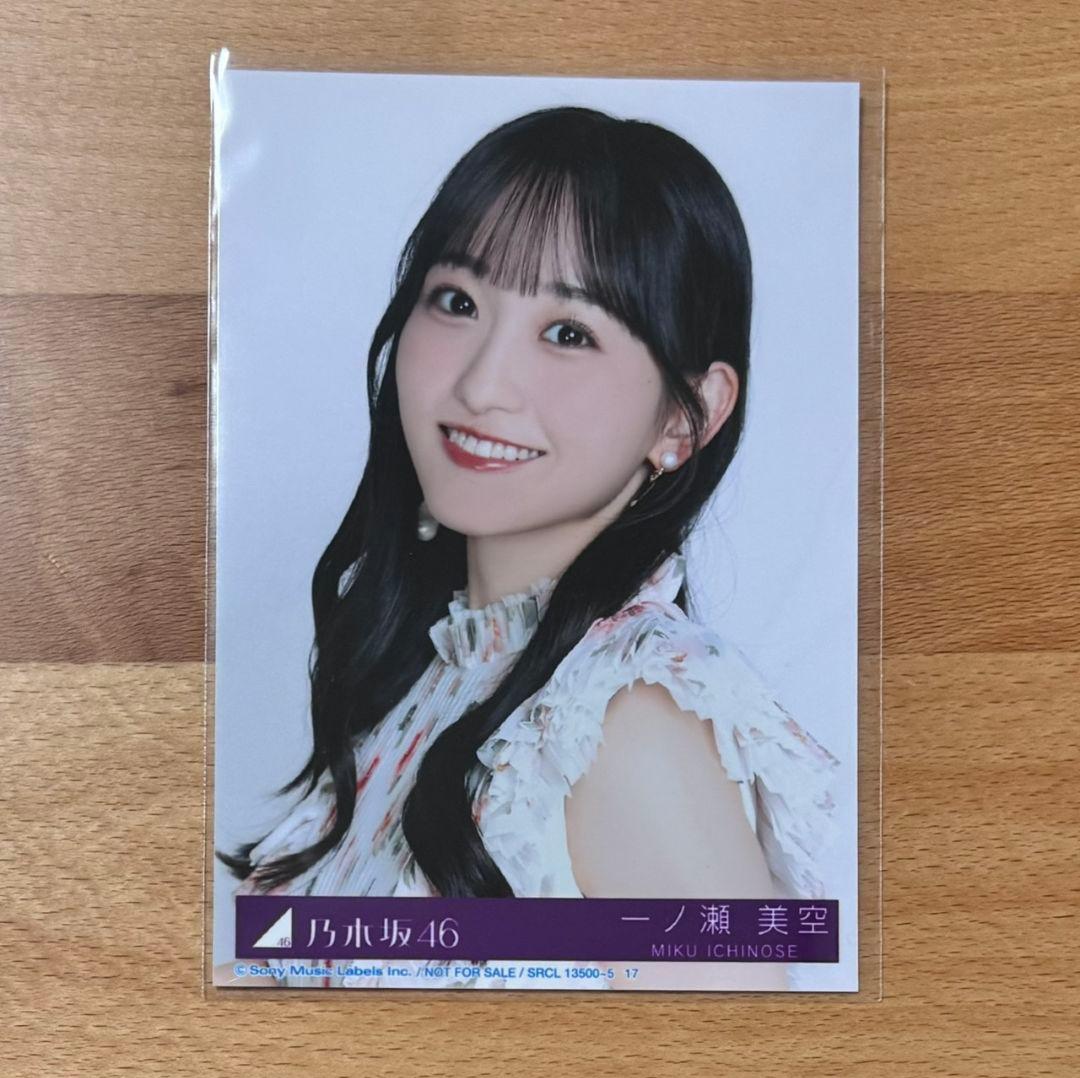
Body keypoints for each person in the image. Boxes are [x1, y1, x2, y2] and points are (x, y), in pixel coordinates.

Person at [216, 105, 840, 992]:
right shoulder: (431, 676)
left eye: (568, 333)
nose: (481, 384)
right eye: (458, 302)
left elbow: (738, 1047)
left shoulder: (618, 728)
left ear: (685, 418)